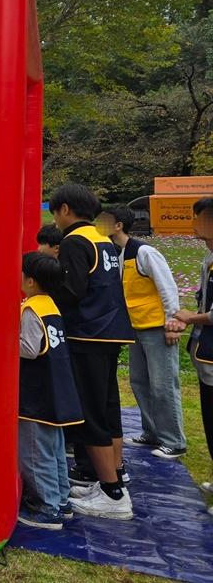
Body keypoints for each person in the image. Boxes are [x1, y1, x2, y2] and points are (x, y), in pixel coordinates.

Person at [48, 183, 134, 519]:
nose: (55, 219)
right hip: (111, 332)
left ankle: (113, 496)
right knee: (109, 407)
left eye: (55, 211)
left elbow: (73, 289)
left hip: (88, 334)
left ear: (65, 209)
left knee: (91, 413)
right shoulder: (103, 239)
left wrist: (42, 292)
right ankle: (114, 476)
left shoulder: (74, 240)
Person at [98, 205, 185, 460]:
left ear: (118, 226)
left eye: (105, 221)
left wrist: (173, 322)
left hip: (157, 327)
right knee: (140, 382)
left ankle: (174, 441)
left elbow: (167, 287)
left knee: (163, 385)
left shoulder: (145, 252)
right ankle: (152, 432)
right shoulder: (118, 254)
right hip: (135, 328)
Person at [17, 252, 84, 530]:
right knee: (55, 450)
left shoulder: (32, 308)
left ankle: (46, 508)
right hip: (58, 393)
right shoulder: (51, 306)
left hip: (38, 396)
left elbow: (30, 349)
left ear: (30, 281)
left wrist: (0, 339)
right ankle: (61, 500)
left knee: (35, 452)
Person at [167, 197, 213, 512]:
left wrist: (188, 318)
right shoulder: (207, 259)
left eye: (198, 218)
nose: (194, 225)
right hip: (204, 351)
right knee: (209, 419)